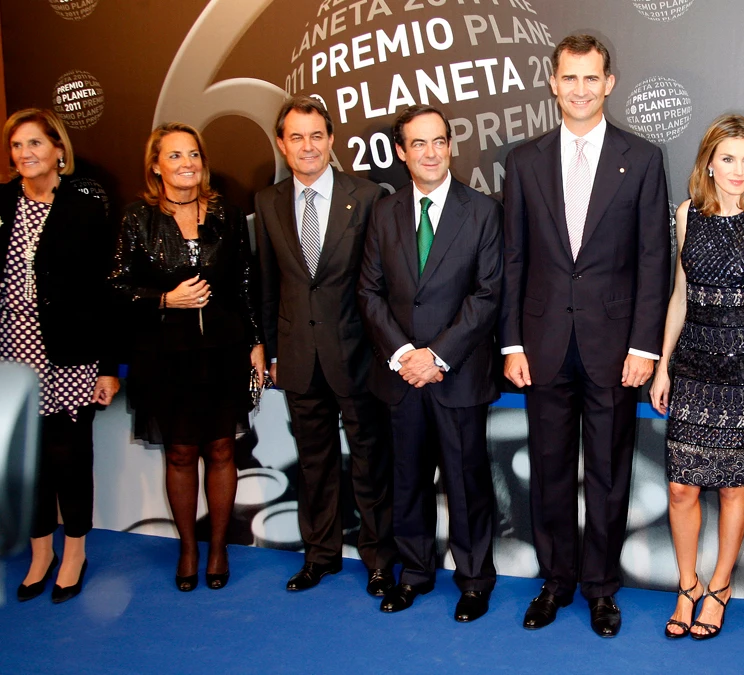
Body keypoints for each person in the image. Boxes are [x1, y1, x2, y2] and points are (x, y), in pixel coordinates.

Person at [500, 34, 671, 637]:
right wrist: (512, 342)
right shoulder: (522, 161)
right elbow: (513, 259)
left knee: (607, 470)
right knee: (549, 469)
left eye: (591, 78)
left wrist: (645, 346)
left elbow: (655, 257)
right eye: (568, 78)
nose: (579, 89)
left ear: (609, 83)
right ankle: (557, 581)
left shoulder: (643, 158)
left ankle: (601, 588)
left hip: (615, 347)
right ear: (552, 83)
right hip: (542, 346)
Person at [357, 105, 502, 621]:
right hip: (400, 377)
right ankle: (414, 574)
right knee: (407, 480)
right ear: (402, 152)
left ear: (450, 145)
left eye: (439, 141)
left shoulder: (482, 210)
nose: (431, 152)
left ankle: (474, 580)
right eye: (419, 144)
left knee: (466, 483)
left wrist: (437, 356)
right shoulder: (384, 210)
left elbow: (486, 297)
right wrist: (403, 356)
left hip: (455, 374)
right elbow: (369, 292)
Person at [648, 114, 744, 640]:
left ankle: (720, 587)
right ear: (709, 161)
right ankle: (688, 585)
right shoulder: (687, 214)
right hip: (694, 362)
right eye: (727, 159)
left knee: (732, 487)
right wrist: (663, 365)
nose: (738, 170)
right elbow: (679, 295)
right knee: (682, 486)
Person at [110, 123, 265, 592]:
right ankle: (187, 548)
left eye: (193, 154)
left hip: (222, 352)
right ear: (156, 165)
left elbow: (245, 283)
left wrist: (257, 340)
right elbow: (116, 287)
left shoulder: (228, 214)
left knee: (221, 448)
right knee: (179, 453)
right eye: (174, 156)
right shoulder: (136, 219)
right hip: (165, 355)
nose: (186, 164)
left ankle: (217, 548)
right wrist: (164, 300)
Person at [255, 95, 396, 595]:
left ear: (331, 140)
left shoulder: (368, 195)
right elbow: (269, 286)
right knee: (314, 464)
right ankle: (321, 555)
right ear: (282, 144)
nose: (308, 146)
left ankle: (379, 559)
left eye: (317, 136)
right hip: (297, 356)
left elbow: (381, 283)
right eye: (297, 137)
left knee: (369, 460)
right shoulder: (267, 202)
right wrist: (270, 349)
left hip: (358, 356)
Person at [1, 108, 118, 604]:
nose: (25, 154)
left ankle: (73, 553)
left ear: (58, 150)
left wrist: (110, 367)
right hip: (10, 356)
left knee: (69, 459)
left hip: (69, 355)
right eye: (16, 147)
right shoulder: (2, 204)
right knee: (25, 464)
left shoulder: (84, 208)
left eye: (34, 144)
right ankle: (39, 552)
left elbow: (106, 294)